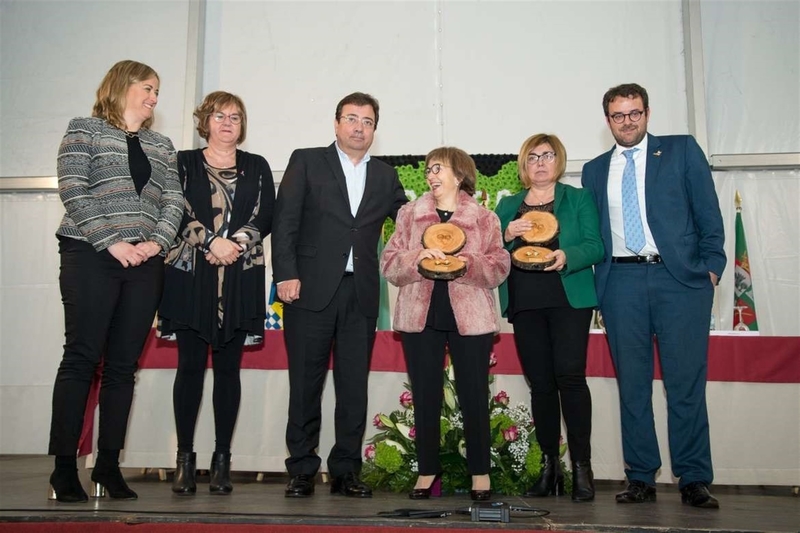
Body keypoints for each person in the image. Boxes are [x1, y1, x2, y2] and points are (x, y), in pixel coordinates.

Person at [581, 83, 725, 509]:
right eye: (618, 115)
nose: (627, 122)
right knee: (633, 386)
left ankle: (694, 478)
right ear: (607, 120)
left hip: (679, 282)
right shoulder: (593, 169)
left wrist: (712, 268)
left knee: (685, 385)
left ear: (647, 113)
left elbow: (708, 215)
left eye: (634, 113)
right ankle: (640, 476)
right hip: (620, 285)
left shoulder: (681, 151)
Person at [48, 60, 183, 503]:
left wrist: (156, 244)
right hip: (90, 254)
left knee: (123, 367)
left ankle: (108, 465)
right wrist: (112, 242)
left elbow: (173, 200)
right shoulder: (84, 129)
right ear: (123, 86)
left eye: (157, 91)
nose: (154, 98)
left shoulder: (161, 144)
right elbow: (73, 188)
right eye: (148, 88)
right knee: (82, 358)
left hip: (145, 261)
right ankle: (65, 468)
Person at [272, 92, 408, 498]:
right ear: (336, 124)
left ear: (375, 130)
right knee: (305, 383)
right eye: (351, 118)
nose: (358, 127)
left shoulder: (385, 175)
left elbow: (408, 222)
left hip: (362, 293)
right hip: (308, 288)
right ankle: (301, 468)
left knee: (353, 386)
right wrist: (286, 274)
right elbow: (285, 222)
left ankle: (346, 469)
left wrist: (454, 215)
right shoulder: (307, 160)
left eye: (367, 121)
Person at [158, 91, 275, 495]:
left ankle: (222, 461)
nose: (228, 122)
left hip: (241, 276)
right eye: (219, 115)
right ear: (204, 121)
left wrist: (235, 242)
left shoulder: (257, 166)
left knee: (229, 371)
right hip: (191, 275)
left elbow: (266, 214)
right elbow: (172, 211)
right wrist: (209, 242)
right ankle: (184, 461)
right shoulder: (183, 163)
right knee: (189, 368)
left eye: (236, 117)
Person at [381, 147, 510, 501]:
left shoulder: (485, 218)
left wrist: (465, 263)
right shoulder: (409, 214)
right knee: (424, 396)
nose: (431, 176)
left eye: (438, 168)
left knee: (474, 395)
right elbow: (389, 263)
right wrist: (416, 257)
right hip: (420, 317)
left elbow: (499, 266)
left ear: (460, 174)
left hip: (470, 317)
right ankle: (426, 472)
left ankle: (480, 473)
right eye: (428, 170)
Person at [496, 134, 604, 502]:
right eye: (532, 157)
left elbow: (596, 245)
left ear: (559, 161)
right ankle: (549, 467)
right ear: (523, 166)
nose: (540, 162)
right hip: (525, 300)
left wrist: (567, 256)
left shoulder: (578, 198)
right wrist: (506, 232)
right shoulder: (508, 204)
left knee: (570, 378)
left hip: (567, 297)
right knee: (540, 385)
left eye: (547, 155)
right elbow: (490, 250)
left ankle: (582, 469)